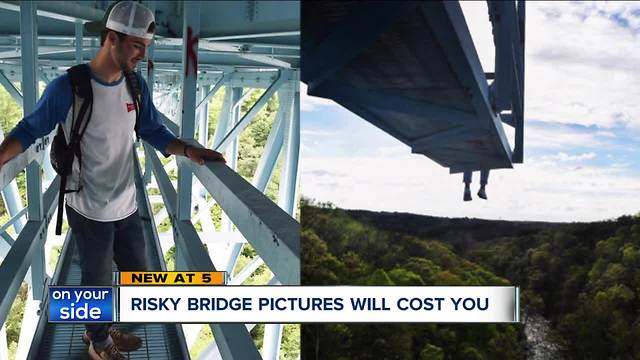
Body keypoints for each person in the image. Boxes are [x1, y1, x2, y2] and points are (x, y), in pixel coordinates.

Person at [0, 2, 224, 359]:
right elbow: (30, 129)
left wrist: (187, 150)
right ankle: (99, 343)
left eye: (145, 47)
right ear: (111, 39)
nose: (141, 54)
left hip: (127, 204)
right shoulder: (68, 87)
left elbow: (150, 128)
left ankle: (103, 329)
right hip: (88, 208)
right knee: (97, 280)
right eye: (136, 46)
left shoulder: (135, 85)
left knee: (139, 274)